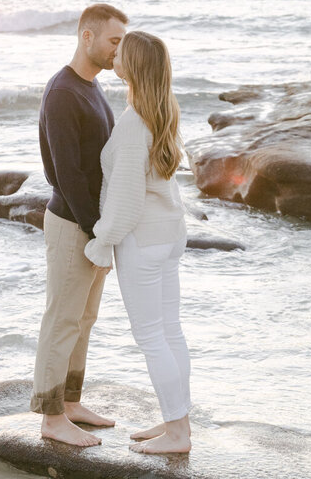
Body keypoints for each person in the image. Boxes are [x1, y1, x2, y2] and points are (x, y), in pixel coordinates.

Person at [84, 30, 192, 454]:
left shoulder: (132, 125)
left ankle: (178, 433)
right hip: (168, 235)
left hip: (143, 241)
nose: (115, 54)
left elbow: (126, 200)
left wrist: (100, 243)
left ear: (135, 66)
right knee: (171, 332)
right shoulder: (161, 111)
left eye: (122, 52)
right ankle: (175, 422)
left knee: (151, 338)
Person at [32, 2, 128, 447]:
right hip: (73, 223)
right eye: (114, 40)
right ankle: (51, 417)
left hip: (93, 225)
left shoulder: (93, 88)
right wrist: (95, 230)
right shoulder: (62, 91)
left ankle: (71, 402)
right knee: (62, 318)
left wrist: (106, 230)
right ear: (87, 36)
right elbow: (65, 174)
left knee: (84, 319)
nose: (118, 50)